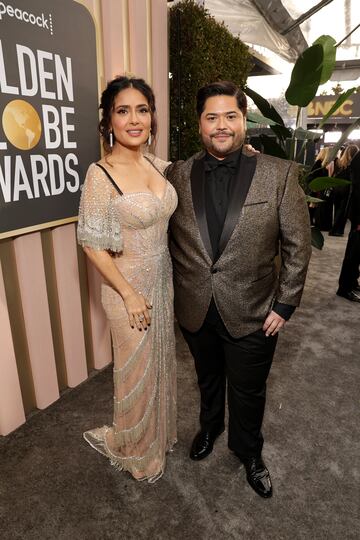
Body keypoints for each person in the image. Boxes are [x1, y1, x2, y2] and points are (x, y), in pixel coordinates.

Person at [165, 81, 311, 498]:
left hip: (254, 310)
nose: (221, 125)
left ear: (243, 119)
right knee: (208, 380)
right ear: (199, 123)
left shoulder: (279, 174)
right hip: (195, 308)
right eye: (211, 117)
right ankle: (210, 428)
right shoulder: (176, 174)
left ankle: (249, 451)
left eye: (230, 116)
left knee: (249, 390)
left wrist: (284, 303)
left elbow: (298, 245)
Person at [77, 76, 177, 482]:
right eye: (123, 110)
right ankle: (136, 450)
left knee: (159, 364)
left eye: (142, 109)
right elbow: (91, 244)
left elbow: (197, 178)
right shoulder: (100, 174)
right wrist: (129, 293)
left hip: (163, 281)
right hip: (127, 290)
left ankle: (155, 438)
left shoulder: (158, 164)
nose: (134, 119)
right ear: (108, 121)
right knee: (135, 372)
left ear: (152, 117)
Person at [336, 147, 360, 302]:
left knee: (356, 253)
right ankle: (344, 288)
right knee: (354, 253)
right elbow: (357, 190)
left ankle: (352, 282)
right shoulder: (358, 159)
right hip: (359, 215)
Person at [329, 144, 359, 237]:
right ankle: (336, 230)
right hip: (346, 190)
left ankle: (335, 228)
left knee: (337, 209)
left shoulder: (339, 162)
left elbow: (333, 175)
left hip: (336, 189)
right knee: (342, 211)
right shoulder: (353, 164)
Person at [308, 147, 334, 229]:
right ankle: (312, 222)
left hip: (319, 188)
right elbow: (312, 176)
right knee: (314, 206)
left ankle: (313, 222)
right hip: (317, 188)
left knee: (314, 206)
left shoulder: (322, 163)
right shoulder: (319, 164)